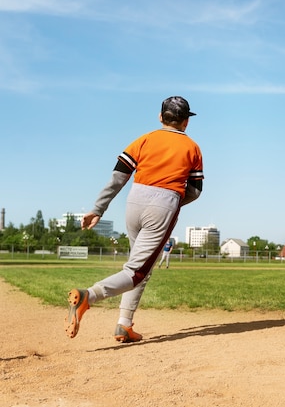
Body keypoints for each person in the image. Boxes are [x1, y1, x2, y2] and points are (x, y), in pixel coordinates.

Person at [64, 96, 204, 343]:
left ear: (161, 117)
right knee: (137, 272)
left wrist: (98, 209)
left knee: (140, 267)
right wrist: (171, 201)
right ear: (186, 122)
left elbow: (118, 177)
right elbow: (194, 190)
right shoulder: (192, 147)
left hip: (134, 202)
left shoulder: (144, 139)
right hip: (163, 205)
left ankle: (124, 325)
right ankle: (89, 296)